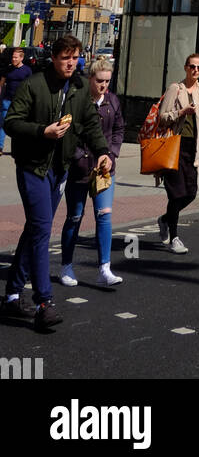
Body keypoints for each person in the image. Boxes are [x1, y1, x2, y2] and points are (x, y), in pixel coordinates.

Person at [2, 34, 112, 330]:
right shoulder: (34, 84)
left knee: (34, 229)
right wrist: (42, 131)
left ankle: (12, 295)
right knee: (41, 229)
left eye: (74, 57)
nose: (70, 62)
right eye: (65, 57)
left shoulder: (77, 87)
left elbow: (90, 123)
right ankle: (43, 302)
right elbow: (11, 121)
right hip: (32, 167)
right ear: (54, 58)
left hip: (59, 169)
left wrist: (103, 152)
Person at [59, 56, 126, 288]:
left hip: (104, 169)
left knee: (104, 215)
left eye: (107, 81)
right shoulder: (77, 101)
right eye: (99, 81)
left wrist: (112, 154)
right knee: (75, 217)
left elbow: (118, 130)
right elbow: (68, 134)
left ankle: (104, 268)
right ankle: (66, 266)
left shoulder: (113, 102)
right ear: (90, 79)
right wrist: (79, 156)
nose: (103, 86)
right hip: (80, 168)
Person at [157, 54, 199, 253]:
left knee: (190, 193)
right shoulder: (176, 89)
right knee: (176, 194)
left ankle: (165, 219)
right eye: (192, 67)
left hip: (193, 148)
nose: (195, 70)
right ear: (185, 68)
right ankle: (175, 237)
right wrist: (181, 112)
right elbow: (162, 118)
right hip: (174, 147)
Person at [0, 47, 32, 155]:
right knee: (3, 123)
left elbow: (30, 86)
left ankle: (16, 149)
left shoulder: (27, 70)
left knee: (17, 126)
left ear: (21, 58)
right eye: (12, 57)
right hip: (7, 100)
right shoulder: (8, 69)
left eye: (15, 57)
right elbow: (1, 83)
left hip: (20, 102)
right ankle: (0, 147)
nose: (13, 59)